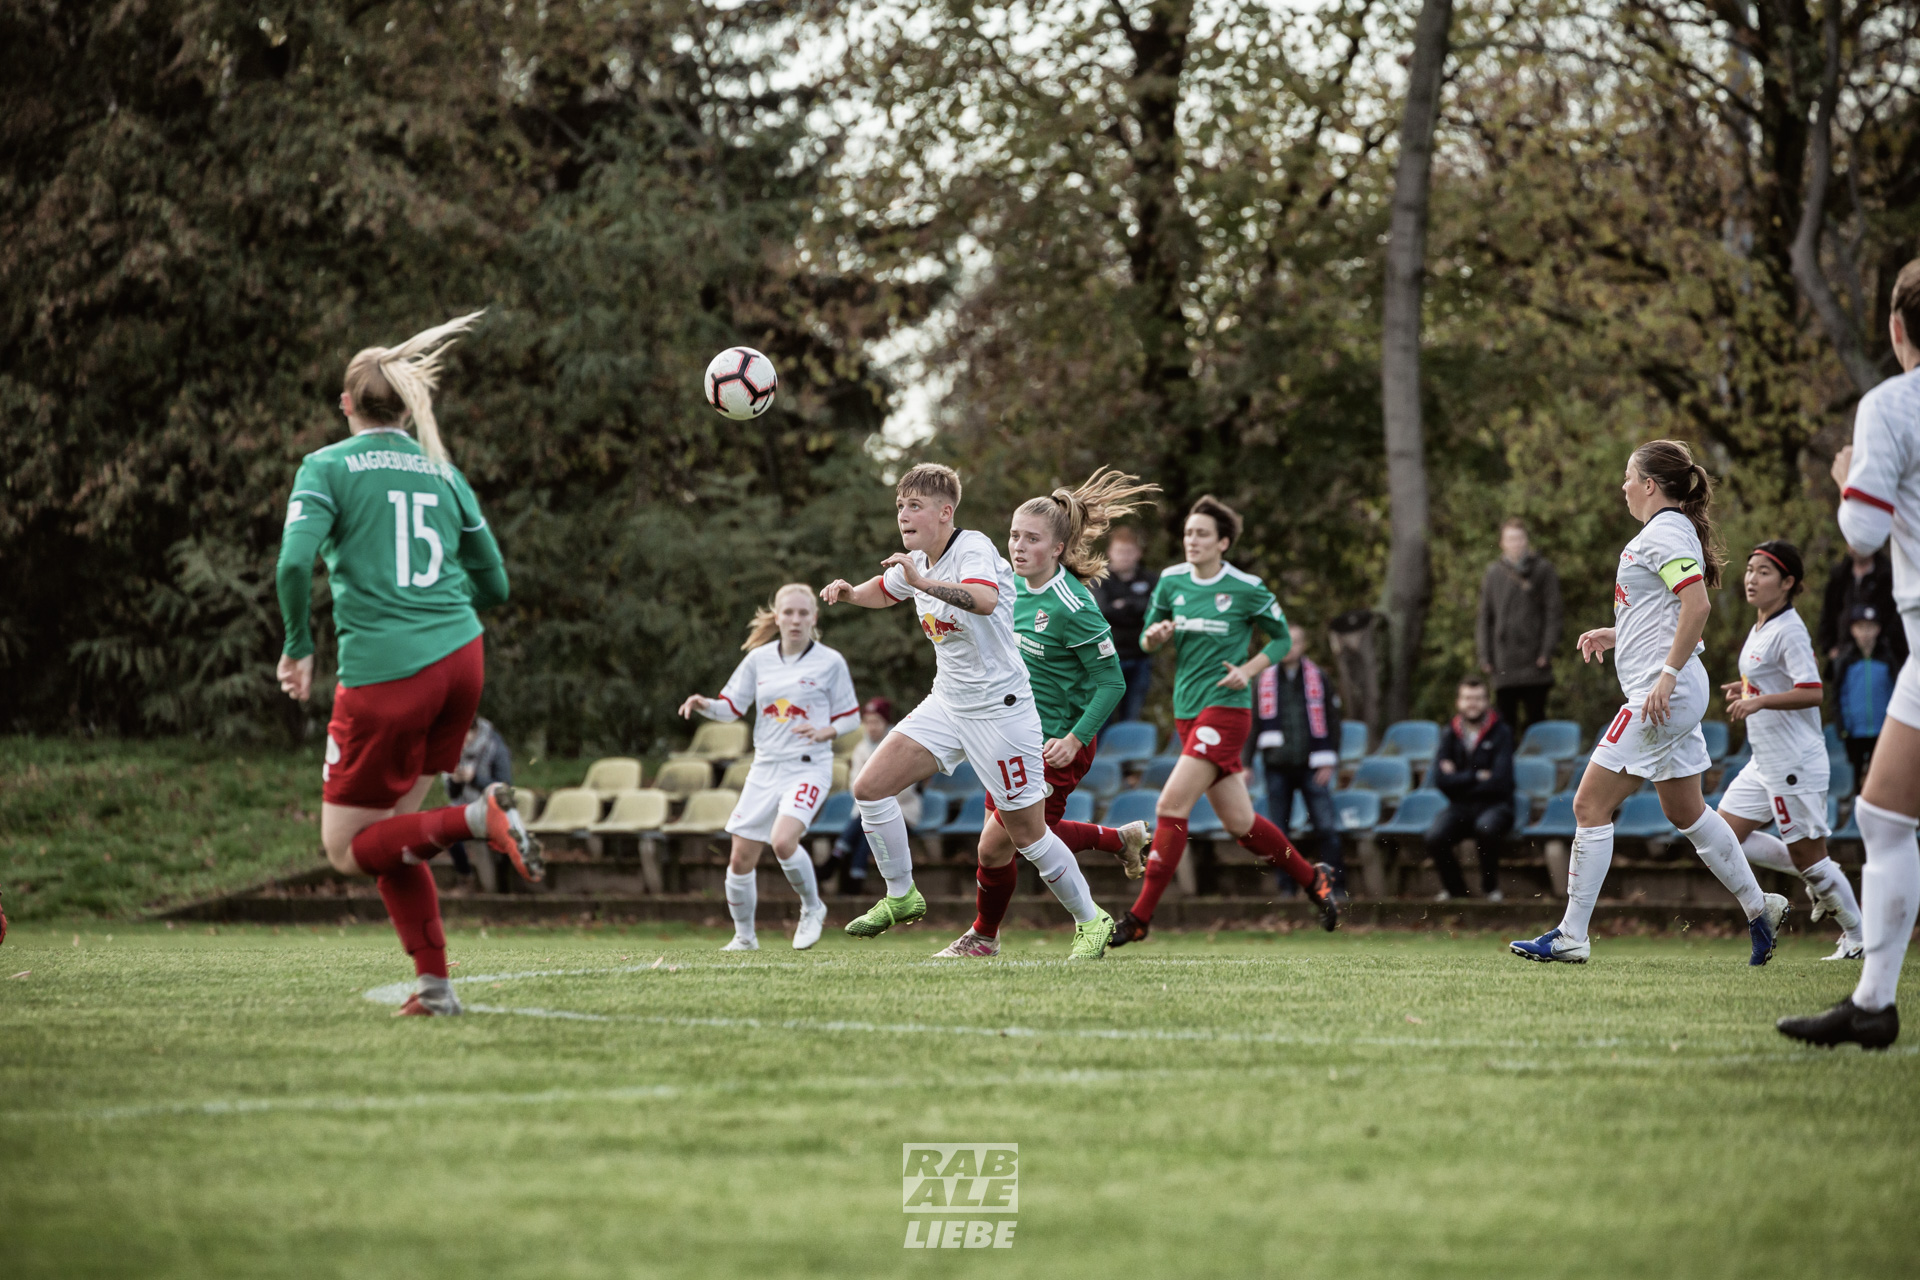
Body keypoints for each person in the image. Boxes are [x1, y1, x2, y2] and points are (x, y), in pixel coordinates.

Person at [275, 310, 541, 1018]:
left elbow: (295, 562)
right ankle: (436, 987)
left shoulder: (326, 466)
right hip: (461, 661)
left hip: (389, 674)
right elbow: (497, 587)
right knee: (392, 839)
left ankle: (476, 820)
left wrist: (299, 645)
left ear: (346, 405)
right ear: (403, 403)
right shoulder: (444, 475)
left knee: (344, 848)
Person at [820, 463, 1118, 959]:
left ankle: (1091, 919)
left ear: (945, 512)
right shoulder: (918, 558)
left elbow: (982, 599)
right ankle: (902, 895)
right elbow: (886, 587)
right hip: (948, 703)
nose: (904, 515)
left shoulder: (973, 547)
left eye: (914, 506)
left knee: (1026, 833)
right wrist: (853, 593)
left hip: (1001, 713)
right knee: (869, 788)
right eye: (900, 507)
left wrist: (922, 581)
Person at [1509, 440, 1787, 966]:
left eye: (1628, 477)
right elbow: (1664, 610)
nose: (1623, 486)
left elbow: (1697, 603)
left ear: (1650, 486)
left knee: (1588, 804)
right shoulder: (1664, 533)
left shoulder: (1664, 533)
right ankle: (1761, 906)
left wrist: (1666, 674)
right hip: (1672, 688)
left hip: (1664, 694)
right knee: (1685, 810)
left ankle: (1572, 934)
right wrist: (1619, 634)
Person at [1781, 259, 1920, 1049]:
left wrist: (1848, 482)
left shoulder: (1892, 404)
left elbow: (1863, 533)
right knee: (1882, 813)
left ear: (1898, 329)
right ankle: (1872, 1004)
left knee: (1886, 819)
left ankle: (1873, 1003)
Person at [935, 469, 1157, 957]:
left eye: (1031, 539)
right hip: (1010, 734)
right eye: (1014, 535)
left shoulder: (1073, 605)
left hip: (1057, 742)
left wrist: (1075, 739)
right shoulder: (1006, 589)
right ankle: (1117, 840)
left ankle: (995, 935)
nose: (1017, 546)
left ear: (1056, 549)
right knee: (1008, 841)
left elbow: (1112, 682)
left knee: (1006, 840)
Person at [1109, 496, 1339, 947]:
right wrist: (1153, 637)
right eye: (1188, 533)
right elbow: (1148, 635)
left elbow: (1277, 640)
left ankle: (1140, 918)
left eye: (1201, 534)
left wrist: (1247, 672)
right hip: (1187, 711)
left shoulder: (1247, 587)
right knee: (1242, 825)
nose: (1191, 541)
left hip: (1227, 709)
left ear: (1223, 542)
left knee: (1170, 806)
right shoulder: (1171, 581)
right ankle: (1314, 879)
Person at [679, 584, 857, 951]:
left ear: (814, 618)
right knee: (740, 857)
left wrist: (826, 730)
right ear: (776, 617)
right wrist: (704, 705)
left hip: (809, 767)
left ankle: (812, 907)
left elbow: (850, 717)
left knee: (782, 840)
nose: (795, 620)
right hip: (765, 768)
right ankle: (745, 938)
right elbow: (730, 707)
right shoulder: (758, 660)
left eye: (803, 613)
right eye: (788, 612)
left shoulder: (830, 662)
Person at [1713, 541, 1864, 961]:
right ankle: (1815, 883)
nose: (1751, 578)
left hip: (1794, 760)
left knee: (1810, 858)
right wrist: (1746, 689)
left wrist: (1758, 701)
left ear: (1788, 582)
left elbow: (1812, 691)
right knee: (1721, 836)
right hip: (1765, 761)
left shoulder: (1790, 629)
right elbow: (1776, 680)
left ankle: (1858, 936)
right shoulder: (1762, 624)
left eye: (1764, 571)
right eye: (1749, 569)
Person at [1253, 642, 1345, 893]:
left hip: (1313, 766)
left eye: (1293, 642)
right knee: (1278, 832)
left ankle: (1334, 887)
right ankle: (1286, 889)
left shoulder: (1319, 677)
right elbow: (1254, 722)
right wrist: (1246, 762)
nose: (1288, 648)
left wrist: (1330, 759)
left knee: (1326, 828)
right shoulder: (1264, 679)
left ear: (1304, 645)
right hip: (1276, 766)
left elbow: (1332, 719)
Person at [1425, 677, 1514, 901]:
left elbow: (1500, 782)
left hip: (1497, 805)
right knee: (1435, 836)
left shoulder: (1502, 732)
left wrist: (1458, 779)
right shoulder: (1449, 734)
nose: (1472, 704)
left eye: (1477, 699)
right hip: (1460, 806)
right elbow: (1440, 780)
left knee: (1486, 828)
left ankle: (1490, 889)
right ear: (1458, 702)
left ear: (1486, 702)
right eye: (1467, 698)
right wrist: (1476, 776)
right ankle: (1457, 893)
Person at [1476, 518, 1562, 734]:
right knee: (1504, 727)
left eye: (1519, 538)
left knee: (1537, 723)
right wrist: (1485, 656)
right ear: (1501, 543)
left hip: (1535, 662)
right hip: (1504, 661)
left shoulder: (1543, 570)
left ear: (1526, 540)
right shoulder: (1493, 573)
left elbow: (1554, 613)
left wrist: (1546, 651)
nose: (1515, 543)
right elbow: (1485, 617)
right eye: (1510, 539)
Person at [831, 698, 922, 893]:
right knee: (867, 824)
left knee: (870, 830)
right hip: (865, 809)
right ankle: (852, 878)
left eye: (876, 722)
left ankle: (837, 860)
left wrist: (876, 797)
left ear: (886, 723)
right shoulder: (860, 749)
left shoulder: (900, 745)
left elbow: (905, 788)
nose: (871, 727)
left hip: (902, 809)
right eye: (868, 722)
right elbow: (854, 786)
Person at [1092, 525, 1158, 726]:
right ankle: (1100, 756)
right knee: (1102, 716)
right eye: (1120, 551)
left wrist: (1124, 605)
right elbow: (1103, 612)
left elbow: (1153, 610)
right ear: (1111, 552)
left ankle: (1128, 755)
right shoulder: (1099, 580)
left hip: (1140, 658)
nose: (1124, 557)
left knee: (1132, 715)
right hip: (1109, 658)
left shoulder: (1150, 579)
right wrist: (1135, 607)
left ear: (1138, 553)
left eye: (1129, 552)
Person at [441, 717, 513, 877]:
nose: (461, 743)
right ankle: (465, 875)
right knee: (445, 827)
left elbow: (505, 786)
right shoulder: (454, 749)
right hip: (464, 807)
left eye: (464, 738)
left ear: (473, 731)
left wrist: (474, 779)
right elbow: (452, 794)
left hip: (492, 808)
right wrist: (456, 781)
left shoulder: (495, 747)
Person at [1835, 603, 1899, 783]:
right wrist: (1843, 726)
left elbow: (1896, 691)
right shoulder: (1846, 660)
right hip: (1855, 731)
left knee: (1881, 774)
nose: (1865, 632)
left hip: (1883, 729)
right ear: (1853, 630)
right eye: (1861, 627)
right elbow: (1838, 695)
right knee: (1855, 776)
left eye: (1870, 627)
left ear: (1878, 629)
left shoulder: (1887, 658)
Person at [1817, 547, 1905, 670]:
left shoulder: (1888, 575)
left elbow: (1896, 617)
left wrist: (1889, 650)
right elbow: (1828, 612)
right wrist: (1830, 647)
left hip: (1883, 660)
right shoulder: (1840, 574)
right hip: (1844, 658)